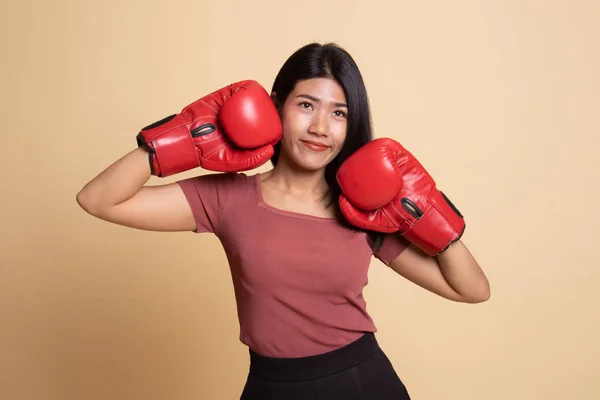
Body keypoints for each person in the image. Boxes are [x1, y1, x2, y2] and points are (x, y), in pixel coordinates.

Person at [76, 42, 490, 399]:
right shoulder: (228, 196)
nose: (320, 127)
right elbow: (98, 200)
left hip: (362, 384)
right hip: (270, 386)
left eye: (339, 114)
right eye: (306, 105)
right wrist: (176, 140)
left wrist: (432, 214)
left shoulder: (362, 211)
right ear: (276, 106)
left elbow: (471, 289)